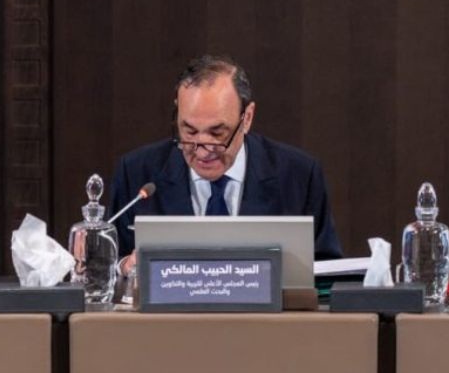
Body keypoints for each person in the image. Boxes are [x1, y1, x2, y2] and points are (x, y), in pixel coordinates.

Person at [109, 54, 342, 261]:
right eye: (189, 132)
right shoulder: (137, 173)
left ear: (247, 118)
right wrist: (124, 267)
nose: (202, 151)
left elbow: (326, 272)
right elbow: (109, 262)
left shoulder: (298, 176)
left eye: (217, 133)